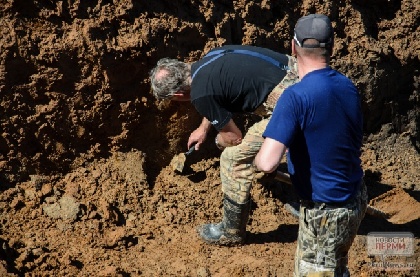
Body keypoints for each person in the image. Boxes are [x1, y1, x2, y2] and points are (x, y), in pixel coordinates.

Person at [149, 45, 299, 245]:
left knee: (232, 159)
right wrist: (204, 128)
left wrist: (220, 141)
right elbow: (215, 97)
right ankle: (303, 192)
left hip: (293, 106)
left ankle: (231, 232)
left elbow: (233, 137)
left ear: (177, 96)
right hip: (308, 78)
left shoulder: (200, 94)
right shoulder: (212, 56)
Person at [254, 14, 367, 276]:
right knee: (335, 267)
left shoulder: (295, 96)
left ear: (293, 47)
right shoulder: (347, 86)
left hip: (325, 213)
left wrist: (258, 160)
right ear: (333, 46)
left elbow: (268, 162)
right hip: (354, 197)